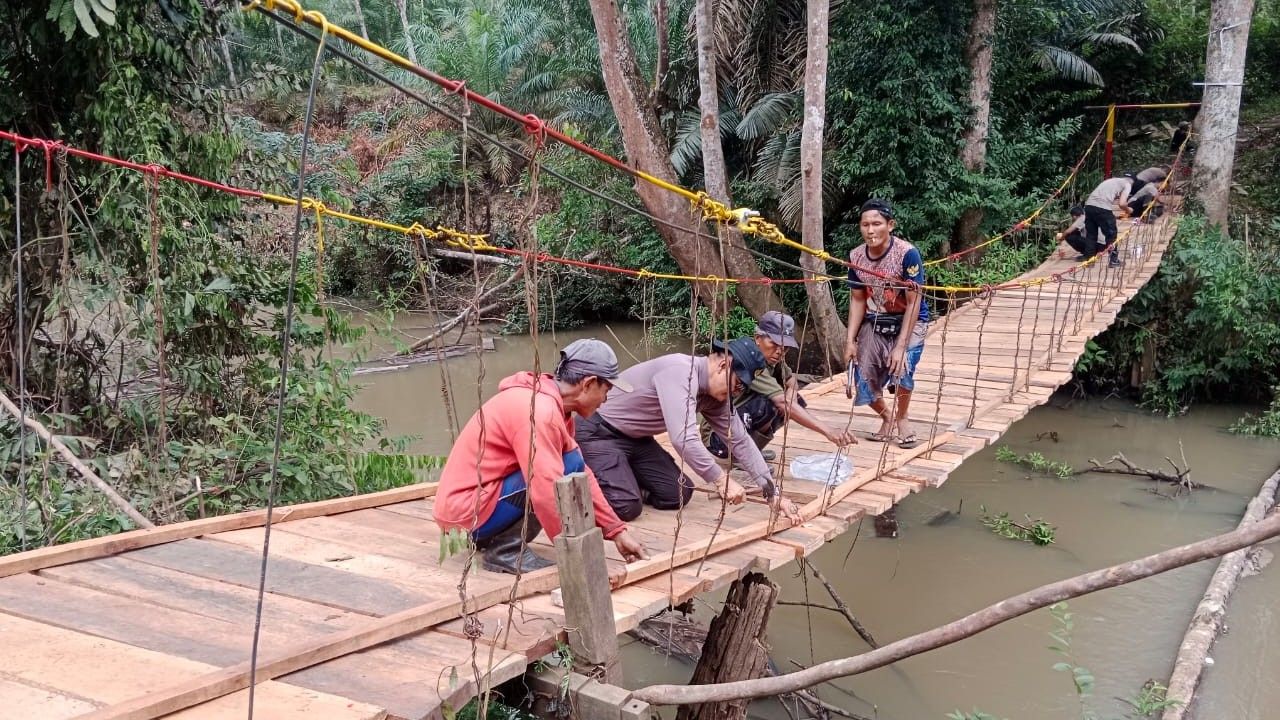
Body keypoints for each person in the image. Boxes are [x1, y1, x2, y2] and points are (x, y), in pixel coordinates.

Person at [433, 339, 650, 575]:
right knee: (562, 469)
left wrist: (616, 531)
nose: (605, 399)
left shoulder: (552, 406)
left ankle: (498, 540)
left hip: (475, 509)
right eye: (606, 390)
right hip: (465, 517)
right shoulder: (540, 412)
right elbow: (548, 489)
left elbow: (581, 473)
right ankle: (507, 552)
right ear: (588, 384)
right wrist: (575, 556)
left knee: (571, 463)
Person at [576, 338, 804, 525]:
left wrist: (772, 493)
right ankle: (597, 483)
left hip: (637, 438)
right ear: (724, 366)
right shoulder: (681, 371)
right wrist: (721, 480)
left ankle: (624, 481)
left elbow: (740, 440)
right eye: (738, 385)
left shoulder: (714, 397)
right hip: (599, 432)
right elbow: (683, 437)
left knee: (678, 493)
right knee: (626, 506)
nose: (737, 393)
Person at [707, 311, 856, 461]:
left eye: (784, 347)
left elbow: (792, 382)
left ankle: (751, 450)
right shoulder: (749, 361)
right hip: (717, 435)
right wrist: (828, 431)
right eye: (774, 343)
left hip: (737, 420)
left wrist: (791, 393)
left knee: (791, 401)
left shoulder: (772, 359)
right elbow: (782, 402)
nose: (779, 352)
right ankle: (741, 456)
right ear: (757, 338)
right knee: (772, 404)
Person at [843, 198, 930, 449]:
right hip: (876, 318)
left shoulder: (908, 254)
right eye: (865, 225)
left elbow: (915, 301)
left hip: (911, 320)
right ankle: (887, 417)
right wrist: (850, 341)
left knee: (902, 368)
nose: (871, 230)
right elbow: (858, 300)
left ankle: (902, 419)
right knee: (862, 376)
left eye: (877, 224)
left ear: (890, 225)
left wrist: (901, 346)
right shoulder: (856, 257)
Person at [1083, 175, 1133, 269]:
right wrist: (1128, 210)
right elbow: (1122, 203)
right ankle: (1113, 261)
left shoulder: (1111, 181)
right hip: (1102, 208)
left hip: (1089, 206)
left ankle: (1089, 261)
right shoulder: (1127, 184)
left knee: (1091, 235)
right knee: (1111, 235)